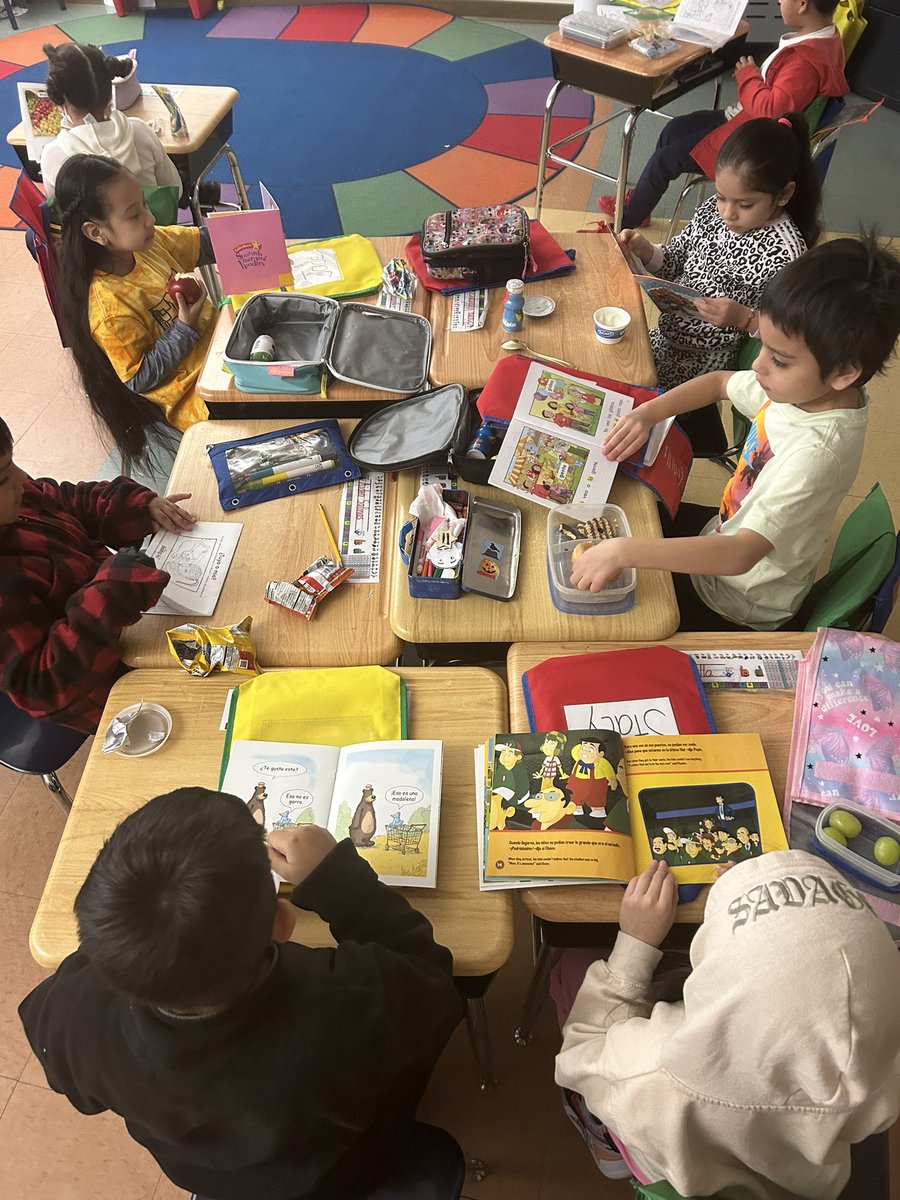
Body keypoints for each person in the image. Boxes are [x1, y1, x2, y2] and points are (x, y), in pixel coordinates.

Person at [19, 790, 464, 1200]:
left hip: (214, 1181)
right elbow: (433, 984)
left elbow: (67, 1076)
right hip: (336, 1173)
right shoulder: (343, 1004)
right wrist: (338, 880)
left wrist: (130, 939)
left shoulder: (76, 1019)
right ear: (281, 923)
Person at [571, 237, 900, 631]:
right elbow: (719, 382)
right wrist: (647, 414)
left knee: (597, 617)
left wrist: (624, 552)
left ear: (844, 372)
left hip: (737, 603)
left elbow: (740, 555)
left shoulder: (816, 455)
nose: (759, 367)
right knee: (615, 506)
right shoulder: (807, 389)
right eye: (761, 342)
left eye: (778, 360)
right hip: (724, 534)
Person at [550, 853, 900, 1198]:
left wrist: (635, 944)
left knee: (571, 967)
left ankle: (609, 1144)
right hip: (800, 1178)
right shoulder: (884, 1046)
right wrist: (743, 888)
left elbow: (580, 1047)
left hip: (664, 1154)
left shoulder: (653, 1069)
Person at [620, 114, 818, 452]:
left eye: (745, 204)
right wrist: (645, 250)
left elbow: (791, 336)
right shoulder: (714, 211)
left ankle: (697, 442)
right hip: (668, 337)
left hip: (706, 360)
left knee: (621, 393)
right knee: (610, 357)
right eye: (722, 196)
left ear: (783, 195)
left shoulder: (786, 254)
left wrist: (745, 318)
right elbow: (676, 260)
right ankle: (703, 438)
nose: (727, 212)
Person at [0, 415, 194, 732]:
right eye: (3, 477)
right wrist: (110, 592)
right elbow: (43, 685)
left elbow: (66, 500)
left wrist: (136, 508)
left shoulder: (17, 499)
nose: (22, 479)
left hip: (131, 620)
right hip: (110, 690)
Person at [600, 0, 847, 228]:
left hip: (752, 142)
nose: (779, 1)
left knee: (664, 160)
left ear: (803, 4)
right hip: (745, 122)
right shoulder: (826, 37)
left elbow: (771, 111)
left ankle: (627, 221)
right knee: (673, 130)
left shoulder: (804, 62)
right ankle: (641, 205)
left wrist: (748, 75)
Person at [56, 153, 214, 469]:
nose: (150, 218)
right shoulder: (109, 308)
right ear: (96, 233)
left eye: (144, 204)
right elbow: (139, 378)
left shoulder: (146, 244)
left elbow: (204, 243)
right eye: (133, 214)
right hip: (196, 396)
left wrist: (253, 237)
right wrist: (184, 328)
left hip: (221, 348)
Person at [40, 43, 182, 206]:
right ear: (110, 90)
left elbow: (59, 213)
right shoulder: (139, 131)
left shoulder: (53, 155)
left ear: (60, 101)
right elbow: (176, 190)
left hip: (91, 232)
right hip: (155, 229)